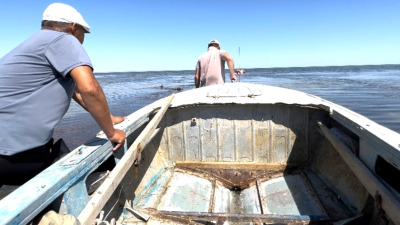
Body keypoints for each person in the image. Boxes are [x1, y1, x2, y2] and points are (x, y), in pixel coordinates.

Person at [0, 3, 126, 186]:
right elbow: (89, 88)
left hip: (7, 151)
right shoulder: (63, 39)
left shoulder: (35, 43)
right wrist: (112, 133)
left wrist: (109, 118)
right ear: (74, 27)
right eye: (84, 32)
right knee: (92, 167)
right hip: (14, 156)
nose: (83, 38)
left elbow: (77, 91)